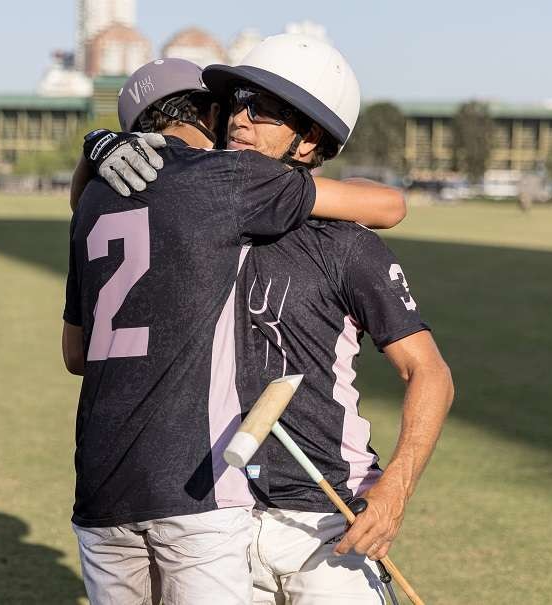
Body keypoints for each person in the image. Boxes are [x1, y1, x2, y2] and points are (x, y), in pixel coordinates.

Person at [110, 35, 455, 604]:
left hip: (327, 520)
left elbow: (430, 374)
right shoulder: (193, 222)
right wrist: (101, 146)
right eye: (238, 101)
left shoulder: (347, 246)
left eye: (264, 108)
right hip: (213, 519)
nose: (239, 117)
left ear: (308, 139)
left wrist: (394, 491)